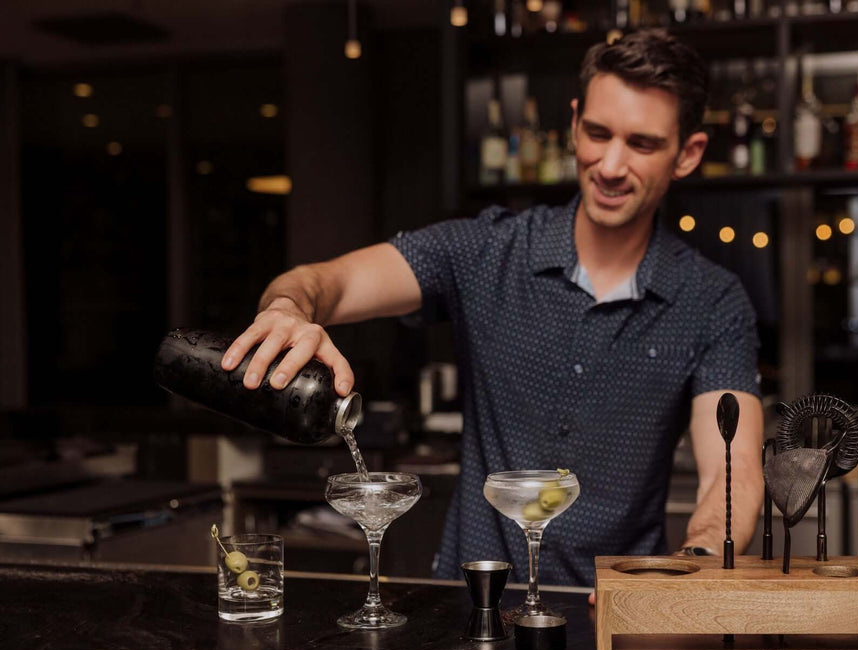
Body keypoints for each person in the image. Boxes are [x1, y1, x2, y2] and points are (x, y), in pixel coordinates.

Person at [222, 29, 764, 588]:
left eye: (642, 144)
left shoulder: (711, 300)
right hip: (472, 609)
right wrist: (290, 308)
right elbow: (324, 282)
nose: (609, 164)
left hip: (616, 611)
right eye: (598, 134)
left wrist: (693, 569)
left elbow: (734, 472)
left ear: (688, 154)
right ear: (575, 124)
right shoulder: (485, 252)